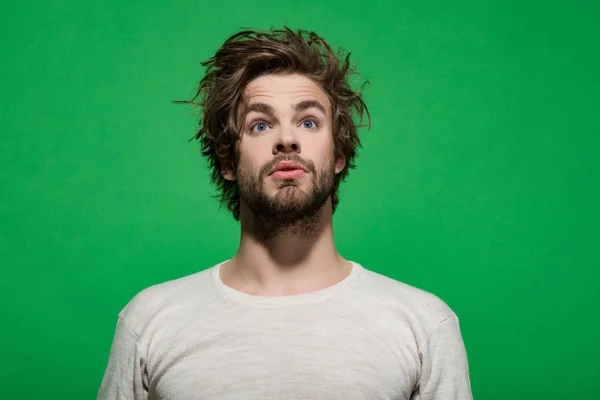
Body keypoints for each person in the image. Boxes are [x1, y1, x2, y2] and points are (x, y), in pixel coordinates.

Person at [97, 26, 473, 400]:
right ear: (228, 160)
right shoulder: (149, 321)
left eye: (309, 122)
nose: (287, 139)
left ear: (338, 153)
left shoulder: (423, 325)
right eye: (260, 124)